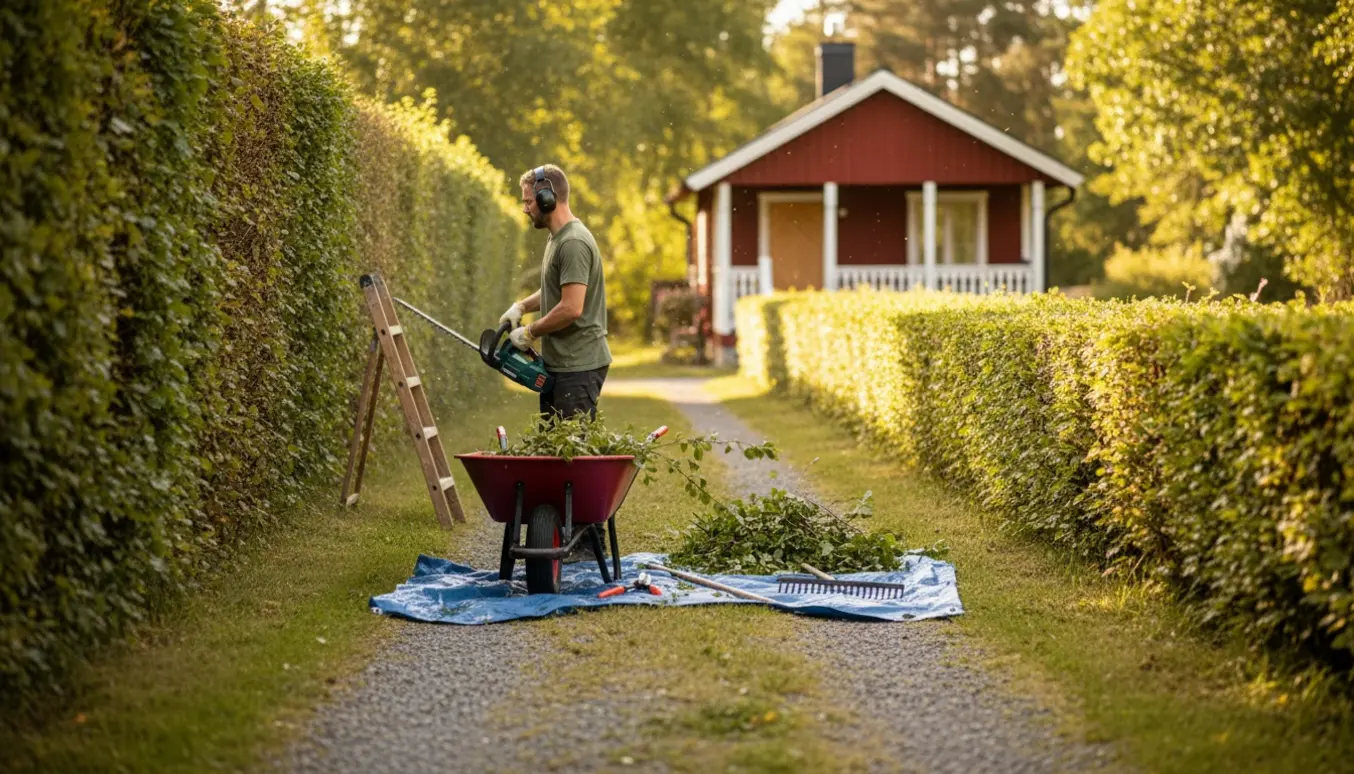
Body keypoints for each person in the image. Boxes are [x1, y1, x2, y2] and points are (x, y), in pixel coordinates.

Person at [500, 164, 612, 422]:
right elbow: (557, 288)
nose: (525, 208)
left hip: (578, 366)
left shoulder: (573, 242)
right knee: (553, 451)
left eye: (529, 201)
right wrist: (521, 307)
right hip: (562, 365)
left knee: (569, 454)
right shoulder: (558, 238)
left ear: (547, 198)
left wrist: (530, 332)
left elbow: (571, 308)